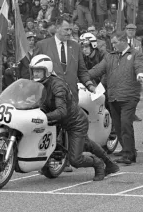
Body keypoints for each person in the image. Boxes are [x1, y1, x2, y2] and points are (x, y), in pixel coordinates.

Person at [30, 54, 119, 180]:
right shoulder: (38, 84)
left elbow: (61, 111)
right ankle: (110, 164)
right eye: (34, 71)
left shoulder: (57, 85)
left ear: (47, 70)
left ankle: (98, 164)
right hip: (59, 122)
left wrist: (42, 116)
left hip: (75, 123)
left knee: (75, 159)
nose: (36, 74)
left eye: (38, 71)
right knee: (86, 144)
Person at [89, 31, 143, 164]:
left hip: (129, 96)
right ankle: (127, 150)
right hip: (113, 97)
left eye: (115, 42)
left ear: (124, 40)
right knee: (118, 126)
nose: (112, 45)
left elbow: (138, 66)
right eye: (111, 43)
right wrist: (80, 75)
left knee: (125, 124)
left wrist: (140, 74)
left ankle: (129, 155)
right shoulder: (110, 57)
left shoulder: (135, 54)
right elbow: (97, 70)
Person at [33, 16, 96, 103]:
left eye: (71, 29)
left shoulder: (76, 46)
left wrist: (90, 85)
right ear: (57, 28)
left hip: (71, 98)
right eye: (66, 29)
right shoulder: (42, 45)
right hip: (50, 98)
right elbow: (34, 73)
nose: (69, 32)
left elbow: (82, 71)